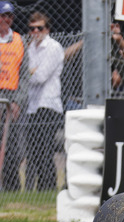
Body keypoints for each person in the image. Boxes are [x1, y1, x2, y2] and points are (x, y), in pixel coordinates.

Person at [25, 11, 64, 191]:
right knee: (34, 150)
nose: (35, 31)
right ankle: (42, 186)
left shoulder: (53, 47)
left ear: (47, 29)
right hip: (32, 105)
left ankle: (47, 186)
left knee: (44, 148)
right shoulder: (30, 47)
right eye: (32, 28)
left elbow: (40, 76)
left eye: (39, 28)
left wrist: (29, 73)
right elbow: (30, 72)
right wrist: (31, 72)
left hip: (48, 104)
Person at [0, 1, 24, 191]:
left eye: (9, 16)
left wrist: (17, 100)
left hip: (11, 97)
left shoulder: (18, 40)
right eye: (3, 15)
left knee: (13, 148)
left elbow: (25, 74)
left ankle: (11, 188)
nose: (6, 20)